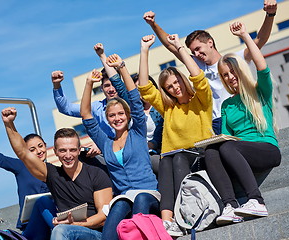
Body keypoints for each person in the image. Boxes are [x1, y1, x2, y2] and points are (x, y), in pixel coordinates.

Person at [143, 0, 277, 134]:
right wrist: (153, 24)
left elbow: (260, 40)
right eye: (193, 52)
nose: (196, 54)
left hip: (238, 114)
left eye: (198, 49)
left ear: (210, 42)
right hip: (213, 121)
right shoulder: (198, 65)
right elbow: (171, 46)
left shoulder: (234, 60)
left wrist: (270, 15)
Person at [204, 22, 281, 226]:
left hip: (266, 149)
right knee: (212, 151)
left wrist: (245, 35)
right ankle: (229, 205)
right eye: (225, 75)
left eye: (232, 72)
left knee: (228, 146)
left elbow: (261, 67)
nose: (230, 78)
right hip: (239, 150)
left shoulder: (259, 91)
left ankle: (256, 200)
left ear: (240, 70)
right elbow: (228, 138)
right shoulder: (227, 105)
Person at [137, 34, 212, 237]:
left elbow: (198, 78)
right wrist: (144, 50)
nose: (175, 88)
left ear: (182, 80)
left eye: (177, 82)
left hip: (198, 156)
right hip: (173, 160)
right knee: (167, 159)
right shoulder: (168, 108)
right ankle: (167, 220)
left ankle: (182, 215)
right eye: (170, 87)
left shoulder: (201, 101)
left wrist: (179, 48)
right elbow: (144, 88)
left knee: (176, 157)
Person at [2, 107, 113, 240]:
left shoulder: (96, 174)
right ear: (55, 152)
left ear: (79, 150)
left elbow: (103, 217)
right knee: (46, 207)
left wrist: (74, 224)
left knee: (60, 230)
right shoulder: (53, 175)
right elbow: (23, 153)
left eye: (72, 150)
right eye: (62, 151)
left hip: (95, 234)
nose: (68, 155)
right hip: (66, 230)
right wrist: (9, 124)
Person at [81, 61, 160, 240]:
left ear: (127, 115)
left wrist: (122, 68)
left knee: (139, 202)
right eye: (112, 115)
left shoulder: (138, 132)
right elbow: (86, 115)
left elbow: (133, 97)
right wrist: (88, 84)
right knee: (110, 230)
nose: (117, 118)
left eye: (120, 114)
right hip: (123, 197)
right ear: (107, 119)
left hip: (148, 194)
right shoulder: (105, 142)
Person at [94, 42, 163, 174]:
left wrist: (150, 145)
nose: (141, 93)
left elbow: (160, 135)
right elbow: (117, 83)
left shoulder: (160, 108)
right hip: (134, 153)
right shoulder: (133, 108)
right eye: (137, 89)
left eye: (143, 88)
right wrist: (102, 56)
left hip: (156, 152)